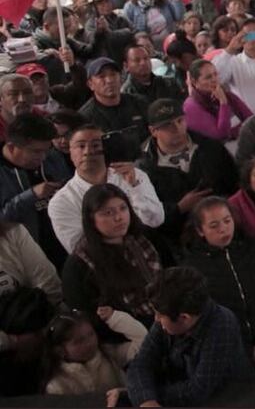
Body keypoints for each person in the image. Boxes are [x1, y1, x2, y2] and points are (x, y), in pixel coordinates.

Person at [182, 197, 255, 384]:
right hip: (230, 350)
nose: (223, 229)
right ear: (200, 230)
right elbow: (205, 317)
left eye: (227, 221)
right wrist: (245, 349)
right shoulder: (193, 267)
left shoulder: (252, 249)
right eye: (214, 225)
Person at [125, 266, 255, 406]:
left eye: (160, 315)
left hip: (231, 401)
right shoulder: (168, 313)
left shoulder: (222, 325)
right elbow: (141, 364)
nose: (156, 319)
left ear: (184, 318)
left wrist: (141, 393)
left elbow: (197, 390)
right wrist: (145, 398)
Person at [137, 99, 237, 250]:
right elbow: (147, 215)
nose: (176, 128)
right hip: (178, 243)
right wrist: (178, 208)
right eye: (167, 125)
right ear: (153, 131)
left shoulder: (211, 148)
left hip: (223, 233)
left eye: (180, 121)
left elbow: (235, 185)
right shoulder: (144, 168)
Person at [50, 125, 165, 254]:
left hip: (146, 250)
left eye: (96, 145)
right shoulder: (61, 201)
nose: (88, 152)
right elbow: (78, 249)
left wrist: (135, 187)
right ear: (70, 152)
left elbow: (156, 219)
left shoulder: (134, 175)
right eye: (81, 146)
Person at [61, 184, 162, 327]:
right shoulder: (78, 264)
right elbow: (88, 319)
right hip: (125, 332)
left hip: (164, 314)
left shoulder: (144, 236)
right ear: (91, 219)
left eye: (123, 208)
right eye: (107, 213)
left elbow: (174, 276)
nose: (119, 217)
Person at [0, 114, 71, 267]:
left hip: (65, 245)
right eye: (36, 151)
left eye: (47, 150)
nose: (43, 157)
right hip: (25, 258)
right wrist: (31, 195)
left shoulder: (53, 158)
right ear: (12, 147)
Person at [41, 307, 147, 397]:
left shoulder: (108, 354)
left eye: (91, 334)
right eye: (79, 341)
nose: (89, 343)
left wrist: (115, 318)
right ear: (60, 350)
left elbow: (143, 343)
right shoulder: (57, 385)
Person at [182, 59, 253, 154]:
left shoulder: (227, 95)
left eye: (215, 74)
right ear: (195, 82)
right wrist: (223, 103)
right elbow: (221, 134)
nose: (214, 79)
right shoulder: (191, 106)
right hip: (218, 154)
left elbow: (251, 120)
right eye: (208, 77)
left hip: (244, 145)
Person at [79, 57, 150, 149]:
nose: (109, 80)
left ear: (120, 78)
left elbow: (155, 133)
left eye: (113, 74)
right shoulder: (85, 117)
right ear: (90, 84)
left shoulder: (140, 103)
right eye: (101, 76)